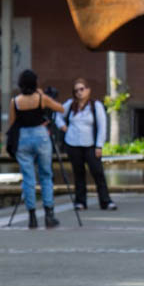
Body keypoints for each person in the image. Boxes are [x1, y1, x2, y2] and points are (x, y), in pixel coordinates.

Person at [9, 69, 66, 229]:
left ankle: (32, 217)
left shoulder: (15, 101)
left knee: (28, 179)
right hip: (40, 135)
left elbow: (13, 123)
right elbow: (61, 108)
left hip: (23, 137)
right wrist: (42, 94)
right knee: (46, 175)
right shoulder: (41, 98)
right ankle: (49, 215)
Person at [55, 77, 115, 211]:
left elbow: (102, 126)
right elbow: (57, 114)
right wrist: (63, 127)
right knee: (78, 173)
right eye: (76, 90)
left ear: (88, 90)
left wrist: (99, 145)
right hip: (73, 143)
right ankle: (80, 202)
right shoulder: (70, 104)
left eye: (82, 89)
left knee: (97, 172)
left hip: (90, 144)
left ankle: (105, 201)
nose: (79, 93)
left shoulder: (95, 105)